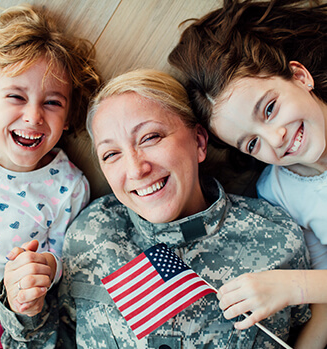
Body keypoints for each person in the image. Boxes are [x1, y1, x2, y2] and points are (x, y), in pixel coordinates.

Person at [0, 69, 310, 348]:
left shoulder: (276, 239)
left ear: (199, 142)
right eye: (111, 155)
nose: (135, 169)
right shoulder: (93, 233)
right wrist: (26, 310)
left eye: (150, 137)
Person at [168, 0, 327, 347]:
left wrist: (292, 287)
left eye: (270, 108)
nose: (276, 138)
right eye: (252, 143)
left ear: (300, 77)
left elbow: (314, 286)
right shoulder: (279, 192)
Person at [0, 4, 99, 347]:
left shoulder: (68, 186)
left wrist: (45, 267)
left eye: (52, 103)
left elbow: (62, 259)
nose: (33, 116)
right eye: (16, 96)